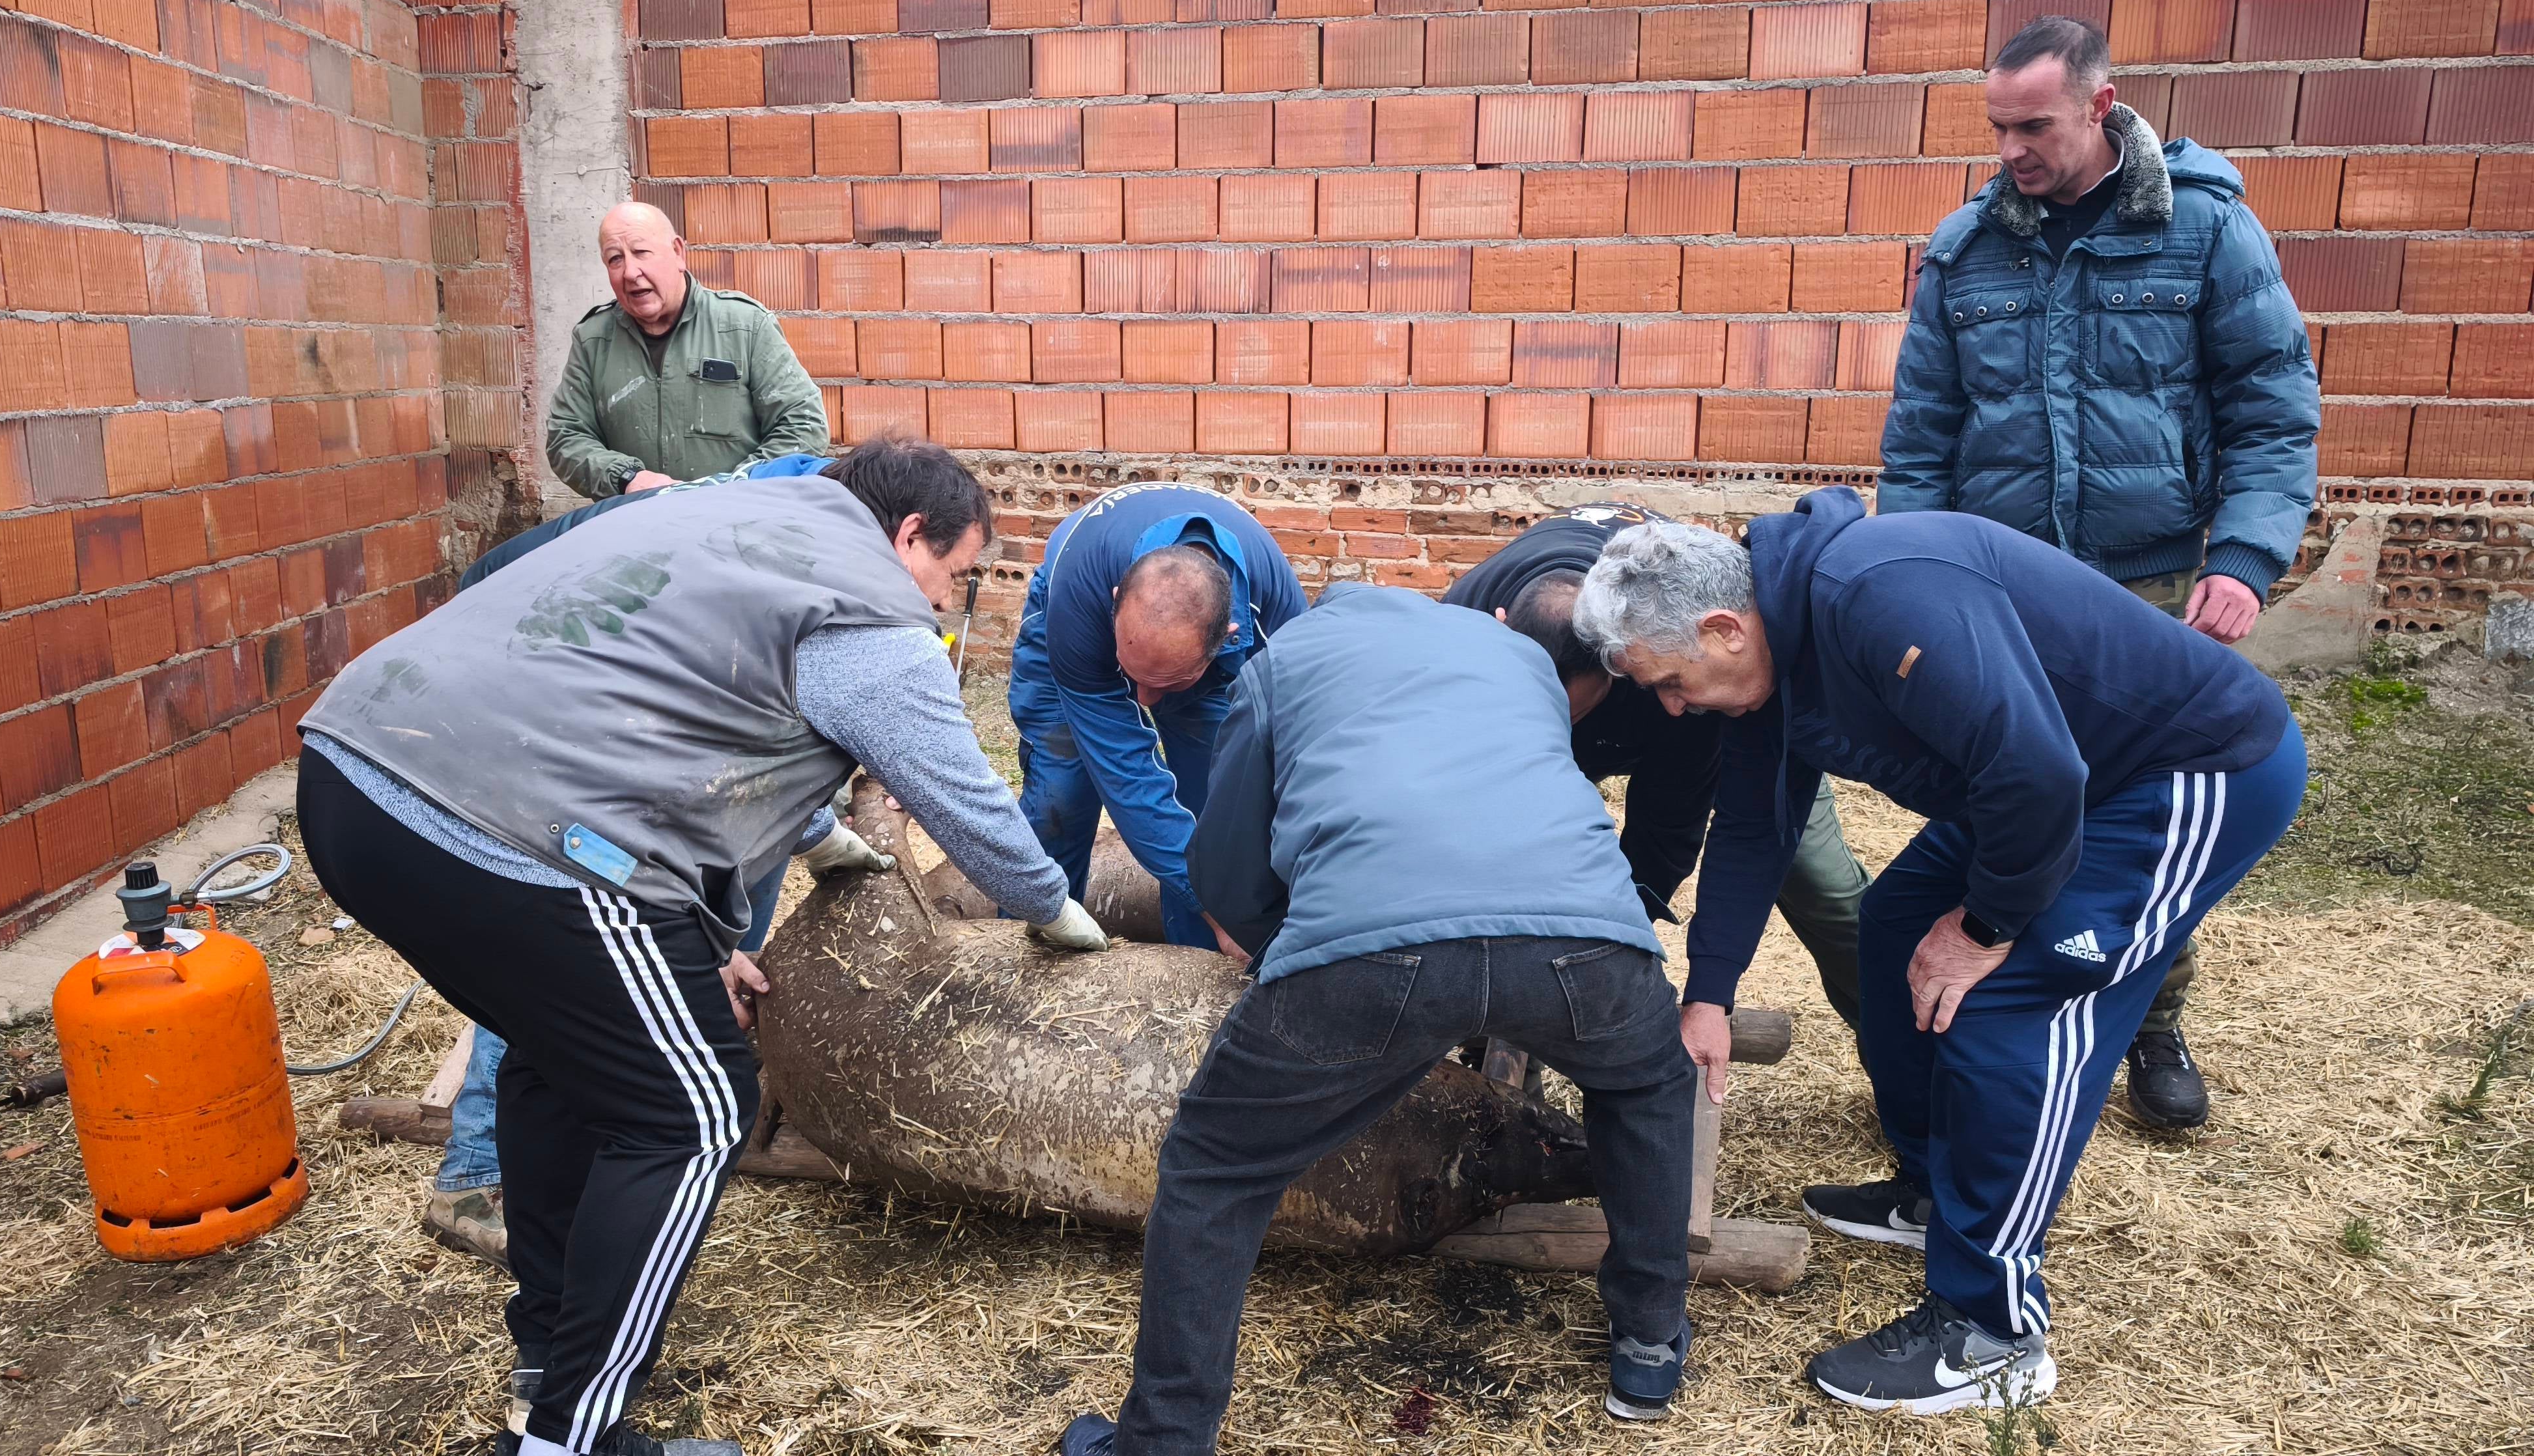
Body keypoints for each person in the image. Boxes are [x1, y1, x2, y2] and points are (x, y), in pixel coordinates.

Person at [297, 447, 1110, 1456]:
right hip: (508, 829)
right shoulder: (868, 608)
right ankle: (571, 1440)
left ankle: (551, 1361)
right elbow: (965, 797)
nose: (948, 605)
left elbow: (686, 706)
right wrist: (1047, 903)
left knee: (562, 1064)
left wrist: (799, 851)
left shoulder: (726, 520)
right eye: (955, 575)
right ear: (908, 537)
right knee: (691, 1109)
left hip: (355, 777)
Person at [1573, 494, 2305, 1414]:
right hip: (2035, 786)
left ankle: (1994, 1331)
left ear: (1722, 628)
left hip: (2181, 773)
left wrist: (1988, 929)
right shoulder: (1773, 650)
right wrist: (1709, 993)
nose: (1672, 710)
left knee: (2014, 1003)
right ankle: (1932, 1193)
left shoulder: (1878, 595)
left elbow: (2040, 773)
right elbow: (1756, 826)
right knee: (1890, 930)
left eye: (1669, 682)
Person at [1060, 583, 1698, 1456]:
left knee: (1214, 1168)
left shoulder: (1284, 661)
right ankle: (1650, 1348)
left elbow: (1229, 858)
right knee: (1649, 1083)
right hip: (1586, 939)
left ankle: (1164, 1439)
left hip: (1374, 948)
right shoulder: (1519, 659)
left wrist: (1279, 947)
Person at [1875, 16, 2318, 1129]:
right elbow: (1922, 437)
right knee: (2004, 790)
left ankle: (2152, 1013)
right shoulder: (1966, 248)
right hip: (2002, 588)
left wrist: (2250, 559)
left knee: (2137, 809)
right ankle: (1989, 992)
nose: (2012, 148)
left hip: (2145, 586)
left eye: (2035, 124)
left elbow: (2270, 404)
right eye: (1997, 126)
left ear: (2100, 105)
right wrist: (1907, 582)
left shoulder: (2206, 229)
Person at [418, 448, 870, 1269]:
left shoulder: (783, 520)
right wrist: (819, 833)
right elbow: (719, 748)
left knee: (685, 898)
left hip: (559, 670)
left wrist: (813, 834)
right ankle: (475, 1173)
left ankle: (645, 1087)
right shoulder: (746, 555)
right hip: (521, 682)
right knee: (559, 936)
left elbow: (747, 755)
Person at [1444, 504, 1872, 1027]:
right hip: (1551, 727)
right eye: (1532, 711)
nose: (1555, 730)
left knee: (1818, 882)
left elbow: (1669, 825)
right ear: (1499, 635)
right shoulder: (1463, 633)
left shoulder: (1669, 665)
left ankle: (1900, 1040)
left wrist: (1612, 942)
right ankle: (1512, 1062)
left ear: (1616, 668)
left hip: (1711, 701)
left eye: (1569, 713)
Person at [1009, 483, 1307, 953]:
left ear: (1228, 636)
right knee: (1062, 791)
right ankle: (1027, 947)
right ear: (1116, 601)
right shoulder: (1083, 598)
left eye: (1164, 684)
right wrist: (1212, 903)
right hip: (1073, 619)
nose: (1143, 701)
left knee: (1213, 808)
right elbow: (1127, 776)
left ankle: (1198, 961)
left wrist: (1232, 911)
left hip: (1203, 664)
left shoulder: (1276, 617)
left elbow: (1295, 749)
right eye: (1135, 680)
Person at [546, 201, 830, 500]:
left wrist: (736, 489)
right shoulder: (593, 340)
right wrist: (626, 477)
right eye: (615, 259)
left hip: (737, 522)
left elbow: (803, 424)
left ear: (678, 253)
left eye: (641, 252)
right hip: (635, 526)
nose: (630, 271)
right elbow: (567, 437)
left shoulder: (744, 326)